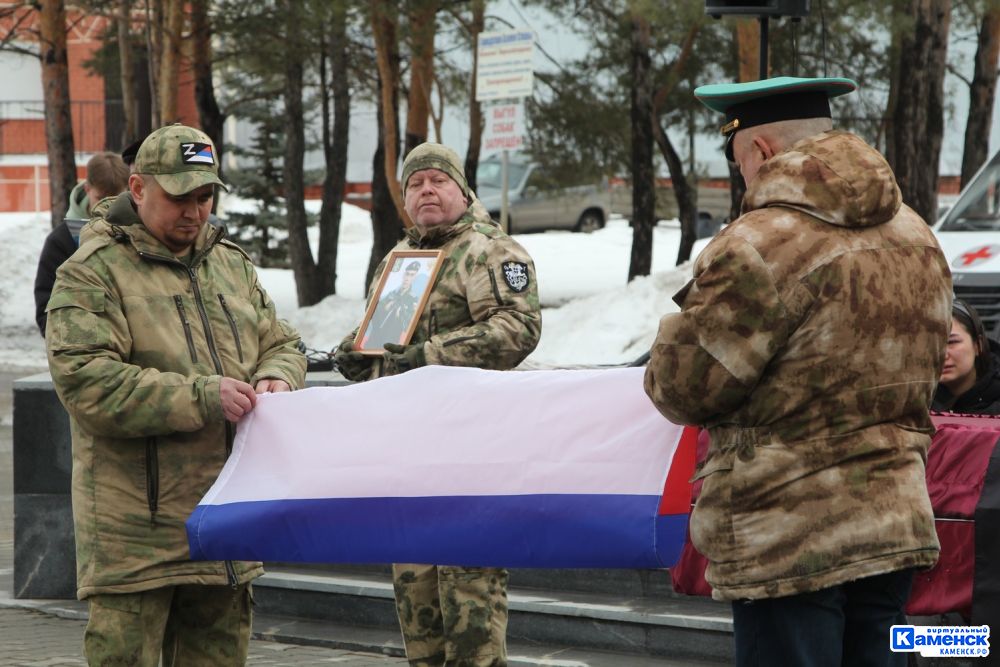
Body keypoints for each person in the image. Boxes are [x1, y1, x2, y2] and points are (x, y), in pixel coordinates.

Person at [643, 76, 952, 666]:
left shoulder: (757, 244)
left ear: (760, 151)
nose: (741, 178)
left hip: (787, 536)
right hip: (894, 521)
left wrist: (674, 331)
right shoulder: (917, 233)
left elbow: (682, 388)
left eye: (738, 163)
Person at [45, 123, 307, 666]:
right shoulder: (90, 273)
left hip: (223, 525)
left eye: (205, 196)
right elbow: (86, 381)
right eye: (179, 197)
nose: (194, 211)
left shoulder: (230, 265)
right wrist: (203, 397)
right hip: (135, 538)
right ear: (137, 189)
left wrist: (279, 374)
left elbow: (281, 340)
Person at [334, 142, 541, 667]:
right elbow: (385, 339)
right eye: (414, 184)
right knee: (418, 611)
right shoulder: (402, 260)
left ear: (461, 189)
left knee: (471, 615)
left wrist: (429, 355)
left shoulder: (490, 250)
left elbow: (518, 329)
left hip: (470, 458)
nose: (426, 190)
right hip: (410, 461)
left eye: (437, 181)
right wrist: (360, 354)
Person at [33, 151, 129, 335]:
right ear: (87, 189)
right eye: (101, 199)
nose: (107, 208)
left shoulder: (139, 232)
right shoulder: (62, 241)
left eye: (116, 200)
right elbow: (46, 312)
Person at [932, 299, 1000, 414]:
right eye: (930, 345)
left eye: (952, 342)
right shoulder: (912, 402)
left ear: (978, 345)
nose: (942, 355)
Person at [364, 260, 422, 348]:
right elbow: (374, 312)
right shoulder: (392, 293)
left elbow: (409, 326)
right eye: (407, 274)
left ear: (415, 278)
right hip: (374, 338)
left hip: (391, 343)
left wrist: (401, 315)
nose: (407, 278)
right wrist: (386, 308)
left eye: (411, 275)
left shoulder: (413, 299)